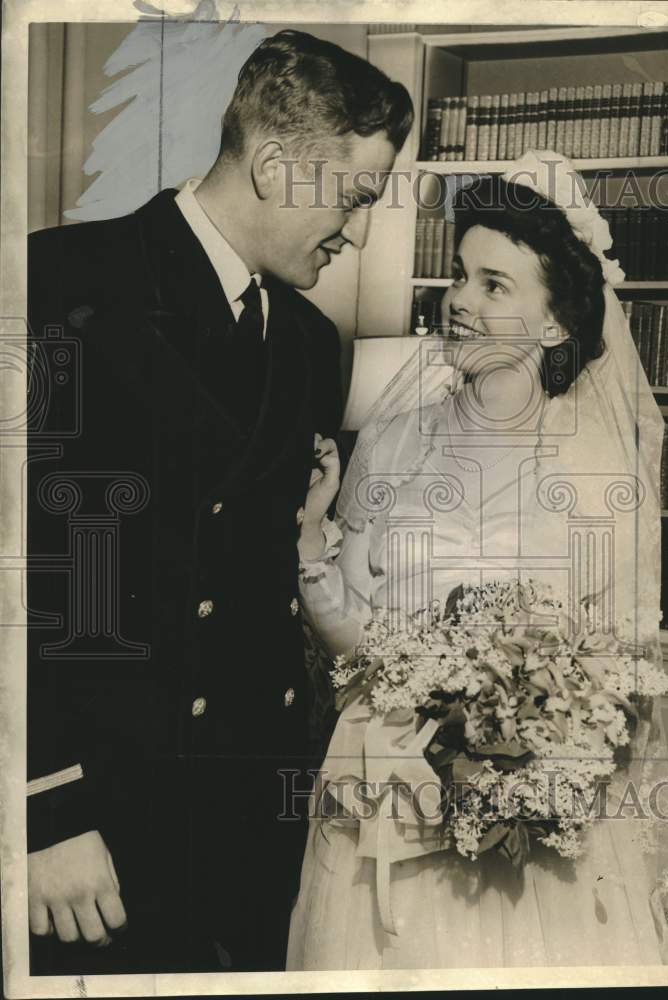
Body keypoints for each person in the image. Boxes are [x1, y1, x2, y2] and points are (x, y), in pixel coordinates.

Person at [26, 29, 413, 973]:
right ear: (278, 165)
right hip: (96, 824)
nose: (359, 229)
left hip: (249, 815)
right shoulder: (58, 283)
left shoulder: (315, 344)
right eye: (356, 196)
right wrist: (43, 808)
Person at [288, 152, 668, 969]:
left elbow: (623, 676)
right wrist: (308, 552)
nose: (460, 302)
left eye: (494, 285)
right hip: (386, 802)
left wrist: (527, 766)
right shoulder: (396, 440)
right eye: (459, 276)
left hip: (542, 834)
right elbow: (353, 649)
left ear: (554, 322)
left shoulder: (598, 473)